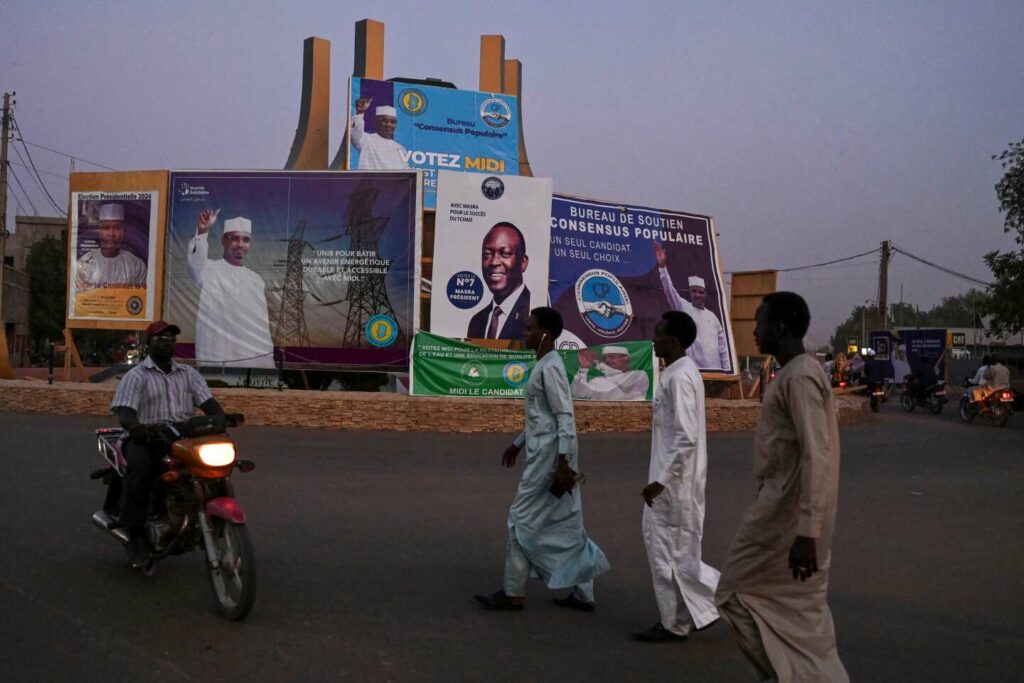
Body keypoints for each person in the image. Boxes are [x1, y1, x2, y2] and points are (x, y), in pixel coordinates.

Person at [715, 292, 848, 682]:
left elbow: (816, 455)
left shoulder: (802, 375)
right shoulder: (792, 372)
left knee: (733, 594)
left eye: (759, 321)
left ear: (780, 327)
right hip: (779, 510)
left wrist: (807, 531)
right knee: (800, 617)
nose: (753, 331)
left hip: (787, 520)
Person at [475, 307, 610, 611]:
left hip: (550, 458)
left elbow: (565, 416)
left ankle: (512, 592)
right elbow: (541, 416)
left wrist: (563, 462)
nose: (525, 333)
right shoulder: (544, 364)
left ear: (545, 334)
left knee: (518, 518)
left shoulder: (550, 367)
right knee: (569, 523)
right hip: (548, 452)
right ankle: (584, 593)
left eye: (529, 329)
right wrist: (517, 443)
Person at [633, 311, 720, 643]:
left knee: (669, 555)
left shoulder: (679, 377)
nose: (653, 340)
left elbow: (686, 437)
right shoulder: (680, 372)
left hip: (673, 485)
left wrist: (662, 480)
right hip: (676, 481)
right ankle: (677, 621)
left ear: (673, 340)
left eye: (658, 334)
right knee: (675, 555)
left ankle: (725, 597)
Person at [109, 320, 225, 568]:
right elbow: (125, 413)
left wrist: (221, 418)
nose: (168, 342)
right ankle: (136, 535)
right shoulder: (136, 376)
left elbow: (210, 405)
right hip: (148, 437)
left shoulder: (188, 374)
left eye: (171, 339)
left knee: (216, 467)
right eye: (161, 338)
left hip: (183, 437)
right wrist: (138, 427)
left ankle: (213, 523)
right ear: (148, 343)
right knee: (141, 470)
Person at [187, 209, 275, 368]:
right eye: (234, 239)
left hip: (252, 358)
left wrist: (267, 362)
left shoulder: (256, 280)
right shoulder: (208, 269)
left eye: (245, 240)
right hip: (218, 355)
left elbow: (262, 328)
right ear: (223, 240)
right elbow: (196, 261)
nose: (240, 244)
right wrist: (202, 230)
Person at [652, 242, 730, 371]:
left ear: (705, 294)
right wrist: (662, 267)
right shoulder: (684, 307)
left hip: (715, 372)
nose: (697, 294)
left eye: (701, 292)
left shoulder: (713, 317)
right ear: (689, 292)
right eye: (694, 291)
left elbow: (723, 347)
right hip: (692, 370)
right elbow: (669, 290)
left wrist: (727, 370)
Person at [467, 223, 531, 340]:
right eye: (487, 254)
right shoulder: (476, 322)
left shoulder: (534, 314)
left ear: (523, 263)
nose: (494, 262)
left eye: (505, 253)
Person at [75, 203, 147, 291]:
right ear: (99, 231)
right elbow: (79, 300)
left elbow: (141, 299)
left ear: (123, 231)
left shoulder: (136, 266)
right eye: (106, 228)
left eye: (117, 228)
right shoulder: (84, 264)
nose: (111, 234)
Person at [571, 345, 649, 401]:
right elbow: (578, 394)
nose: (607, 361)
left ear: (626, 359)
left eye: (612, 356)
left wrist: (597, 363)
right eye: (605, 358)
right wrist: (584, 369)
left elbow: (624, 383)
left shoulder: (639, 375)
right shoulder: (598, 380)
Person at [350, 98, 409, 170]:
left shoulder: (401, 149)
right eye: (384, 121)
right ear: (376, 122)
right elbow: (354, 133)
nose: (388, 125)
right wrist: (360, 112)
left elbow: (406, 172)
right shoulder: (366, 140)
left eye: (392, 122)